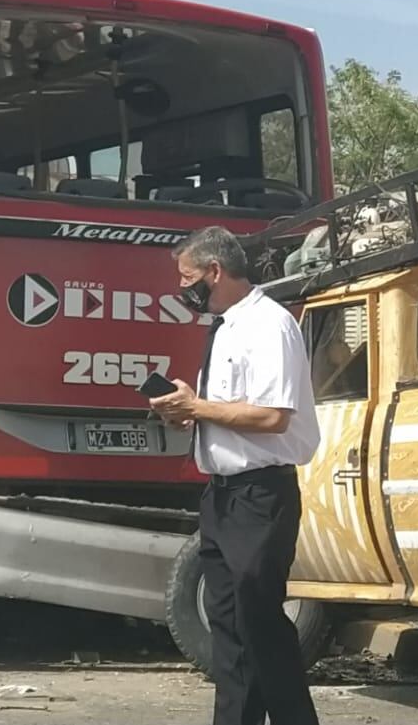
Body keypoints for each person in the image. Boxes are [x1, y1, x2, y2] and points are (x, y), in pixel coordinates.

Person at [148, 226, 322, 725]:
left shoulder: (269, 324)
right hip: (221, 497)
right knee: (227, 628)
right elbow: (221, 411)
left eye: (188, 279)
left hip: (260, 496)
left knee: (259, 623)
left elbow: (272, 417)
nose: (184, 290)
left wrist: (198, 406)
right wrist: (187, 408)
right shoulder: (225, 326)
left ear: (214, 271)